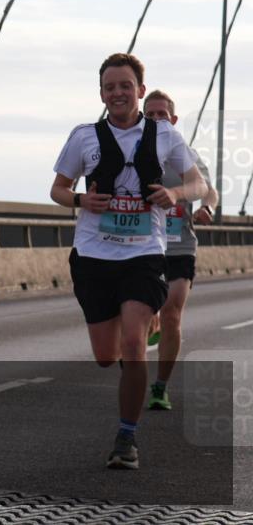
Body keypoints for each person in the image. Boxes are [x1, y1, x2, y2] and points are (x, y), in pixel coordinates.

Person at [50, 53, 207, 470]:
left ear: (140, 90)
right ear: (102, 94)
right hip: (94, 254)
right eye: (109, 87)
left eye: (125, 86)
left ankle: (126, 438)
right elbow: (58, 189)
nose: (117, 93)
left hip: (144, 252)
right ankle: (136, 320)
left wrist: (175, 194)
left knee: (135, 345)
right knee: (107, 355)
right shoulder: (84, 137)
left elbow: (198, 183)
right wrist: (81, 199)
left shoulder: (165, 137)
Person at [141, 89, 218, 410]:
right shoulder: (132, 152)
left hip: (180, 246)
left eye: (163, 114)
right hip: (142, 245)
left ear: (173, 120)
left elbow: (209, 191)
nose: (157, 119)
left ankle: (160, 387)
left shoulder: (187, 155)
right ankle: (150, 320)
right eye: (150, 114)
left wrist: (207, 209)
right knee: (144, 313)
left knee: (172, 313)